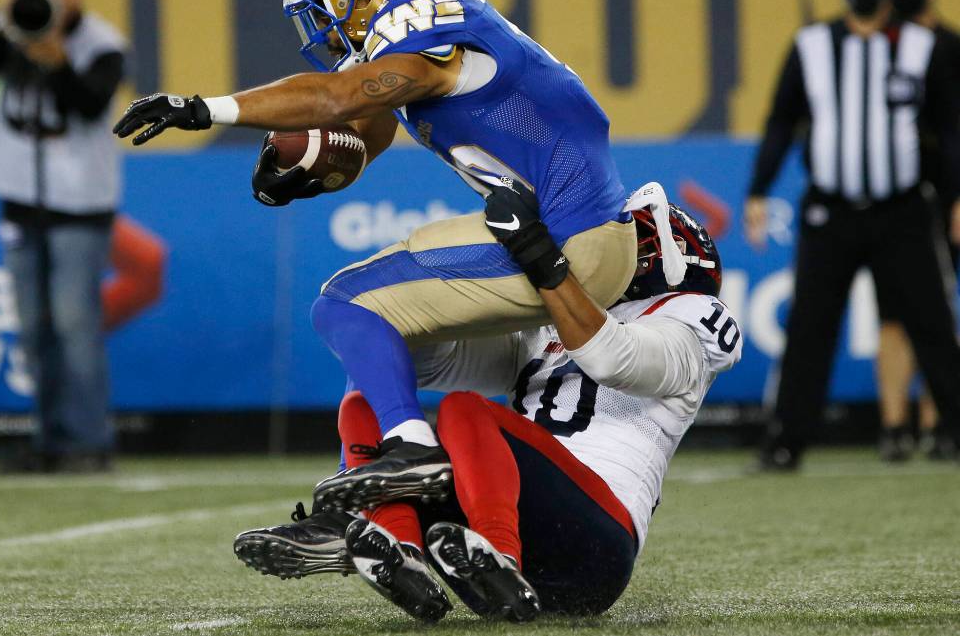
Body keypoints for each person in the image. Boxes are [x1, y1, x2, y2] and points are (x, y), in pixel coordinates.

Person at [113, 0, 639, 497]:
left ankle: (411, 451)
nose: (320, 26)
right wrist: (317, 168)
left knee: (345, 304)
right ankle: (364, 495)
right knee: (378, 342)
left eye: (326, 7)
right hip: (576, 234)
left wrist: (203, 109)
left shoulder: (422, 12)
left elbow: (341, 97)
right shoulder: (430, 21)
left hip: (568, 239)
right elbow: (370, 123)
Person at [234, 182, 742, 623]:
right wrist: (415, 301)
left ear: (673, 257)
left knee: (466, 409)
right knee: (367, 396)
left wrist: (544, 261)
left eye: (633, 238)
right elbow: (425, 359)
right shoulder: (548, 320)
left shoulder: (692, 317)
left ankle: (497, 556)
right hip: (507, 511)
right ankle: (397, 546)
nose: (606, 243)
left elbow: (615, 359)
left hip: (595, 543)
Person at [743, 0, 960, 471]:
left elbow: (950, 128)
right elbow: (781, 119)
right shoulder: (813, 44)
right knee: (809, 329)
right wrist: (758, 189)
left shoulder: (920, 46)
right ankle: (786, 441)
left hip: (901, 209)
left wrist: (956, 198)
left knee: (931, 324)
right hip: (831, 211)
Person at [0, 0, 127, 473]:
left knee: (75, 324)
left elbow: (90, 105)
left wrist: (55, 58)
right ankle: (48, 440)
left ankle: (89, 442)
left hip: (80, 202)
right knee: (33, 328)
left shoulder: (103, 42)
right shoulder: (10, 30)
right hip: (18, 197)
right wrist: (7, 23)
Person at [875, 0, 960, 461]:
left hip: (941, 197)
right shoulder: (882, 44)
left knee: (936, 315)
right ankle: (895, 425)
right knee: (894, 312)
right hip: (900, 200)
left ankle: (939, 422)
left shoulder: (947, 46)